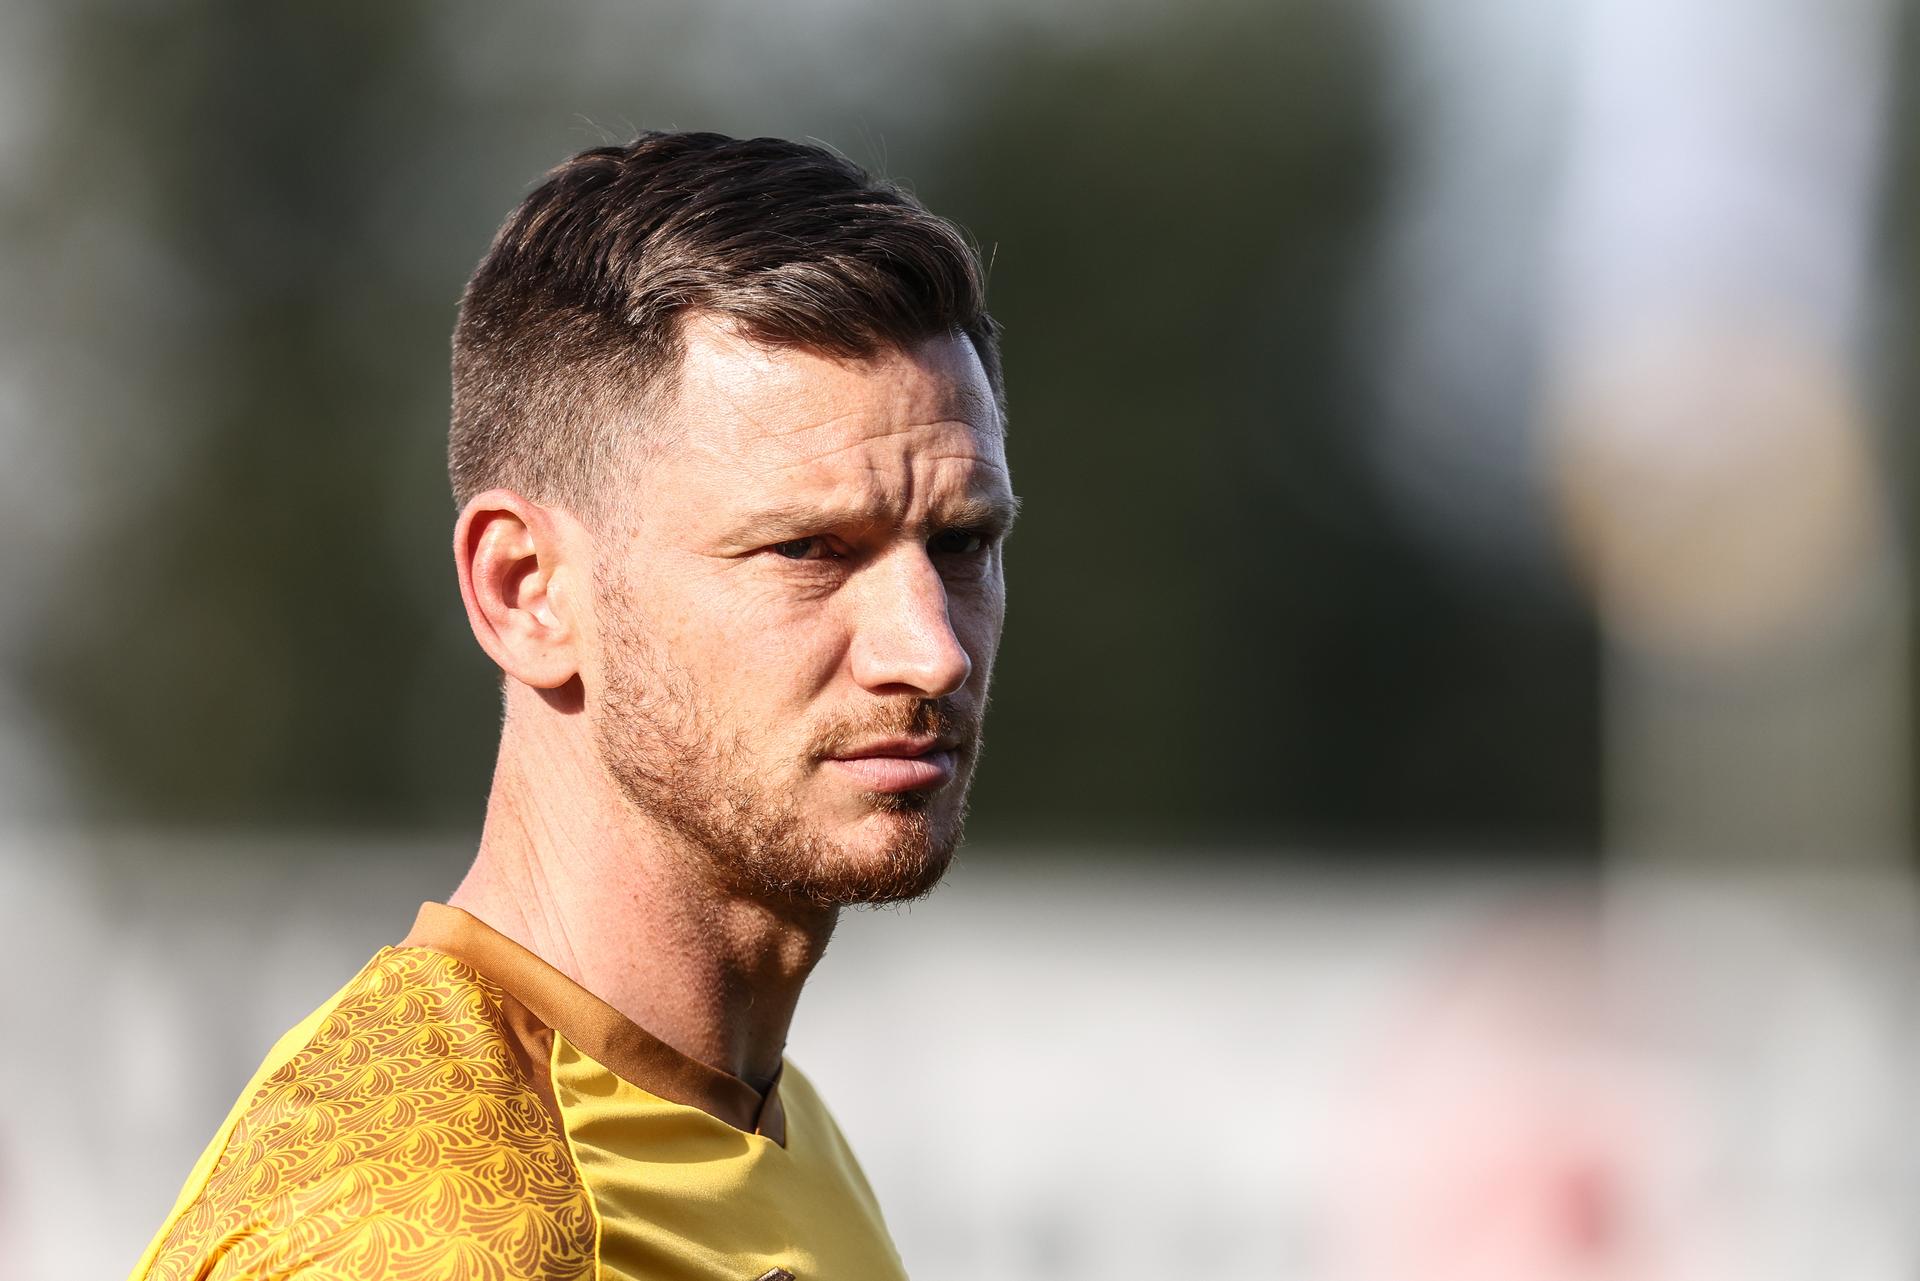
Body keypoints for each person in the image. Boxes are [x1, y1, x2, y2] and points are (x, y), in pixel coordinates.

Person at [129, 130, 1016, 1281]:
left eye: (962, 544)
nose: (932, 650)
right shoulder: (437, 1235)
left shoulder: (762, 1116)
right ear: (525, 592)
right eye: (808, 549)